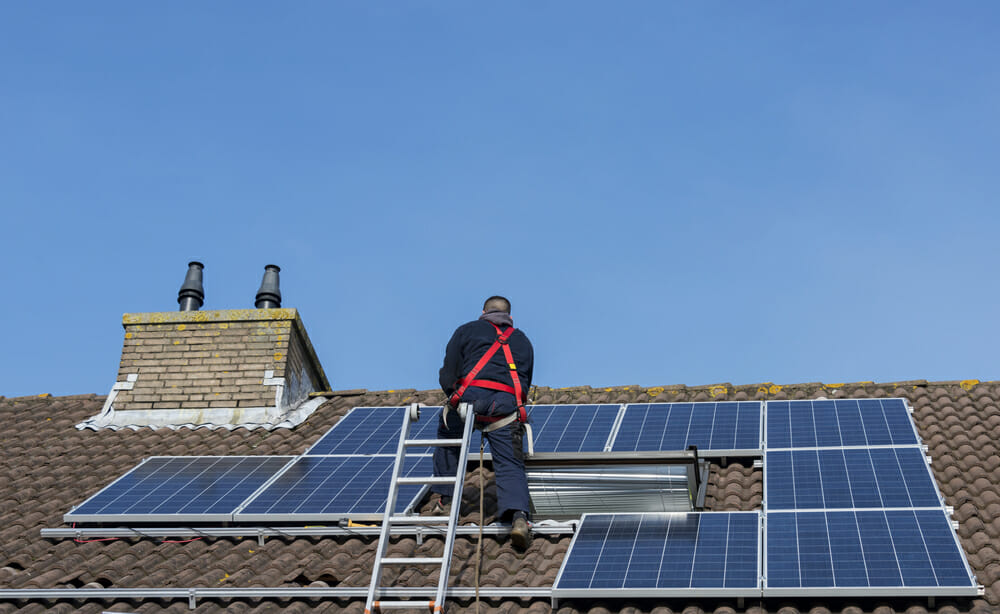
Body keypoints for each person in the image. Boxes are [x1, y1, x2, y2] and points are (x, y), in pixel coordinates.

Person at [431, 295, 534, 549]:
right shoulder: (522, 341)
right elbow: (524, 382)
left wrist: (454, 396)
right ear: (510, 317)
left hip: (469, 401)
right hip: (504, 407)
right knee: (510, 461)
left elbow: (448, 373)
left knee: (448, 433)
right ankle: (518, 516)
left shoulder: (466, 330)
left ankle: (444, 497)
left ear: (483, 312)